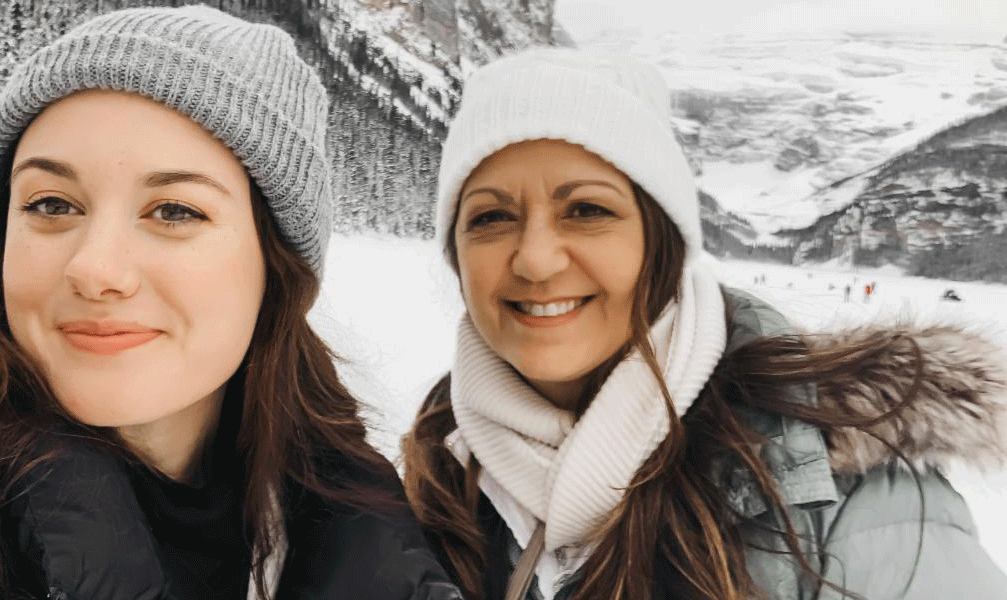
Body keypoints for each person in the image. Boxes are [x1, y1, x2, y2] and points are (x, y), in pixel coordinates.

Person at [0, 7, 459, 600]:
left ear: (274, 266)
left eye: (174, 210)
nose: (95, 270)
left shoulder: (360, 522)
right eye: (51, 205)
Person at [401, 48, 1007, 600]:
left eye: (587, 210)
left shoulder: (848, 494)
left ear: (661, 240)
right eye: (489, 217)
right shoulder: (431, 473)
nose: (535, 258)